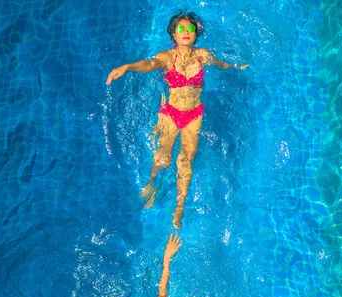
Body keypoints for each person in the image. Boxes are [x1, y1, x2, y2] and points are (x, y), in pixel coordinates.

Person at [106, 11, 249, 229]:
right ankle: (151, 184)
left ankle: (179, 206)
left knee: (186, 162)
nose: (185, 32)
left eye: (190, 29)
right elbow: (150, 64)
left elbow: (221, 64)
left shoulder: (203, 55)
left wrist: (237, 68)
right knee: (162, 158)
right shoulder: (168, 57)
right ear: (173, 34)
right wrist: (127, 67)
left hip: (194, 116)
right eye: (180, 29)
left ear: (195, 33)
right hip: (171, 114)